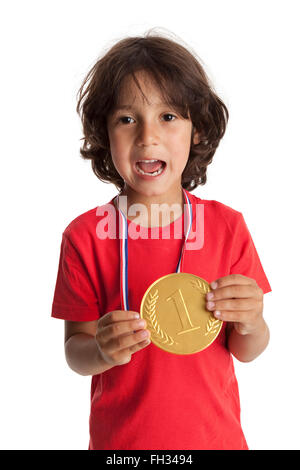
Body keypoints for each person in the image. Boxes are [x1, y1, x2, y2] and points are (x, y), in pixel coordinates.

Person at [51, 32, 272, 450]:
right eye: (127, 119)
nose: (147, 136)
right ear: (104, 134)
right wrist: (99, 350)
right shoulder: (85, 237)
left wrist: (253, 321)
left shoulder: (228, 227)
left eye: (168, 116)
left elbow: (247, 349)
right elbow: (74, 353)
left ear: (198, 131)